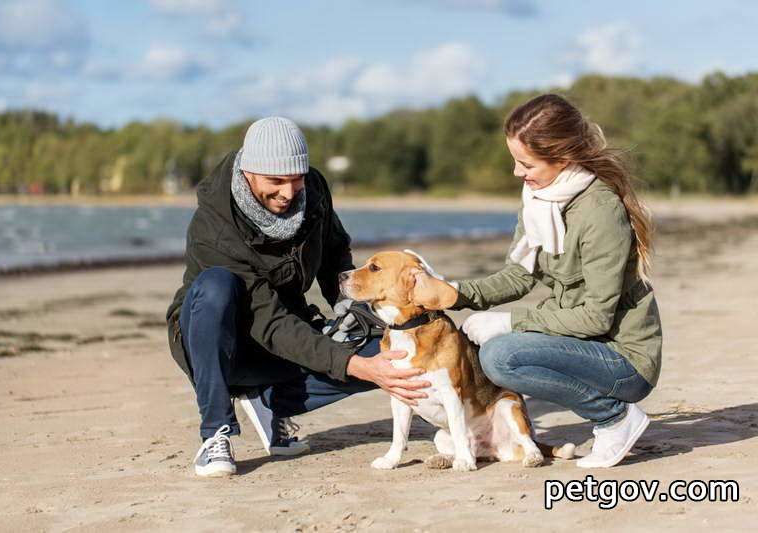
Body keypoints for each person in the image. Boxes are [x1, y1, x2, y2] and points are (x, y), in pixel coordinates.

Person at [166, 116, 428, 477]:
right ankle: (216, 431)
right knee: (215, 286)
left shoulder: (314, 190)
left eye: (296, 179)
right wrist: (356, 366)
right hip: (219, 342)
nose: (289, 192)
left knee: (385, 351)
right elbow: (270, 321)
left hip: (284, 332)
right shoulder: (213, 227)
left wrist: (350, 309)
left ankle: (270, 401)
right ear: (248, 173)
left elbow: (335, 252)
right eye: (276, 181)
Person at [420, 94, 662, 468]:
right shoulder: (539, 200)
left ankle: (616, 418)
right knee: (492, 351)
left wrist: (508, 322)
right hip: (579, 345)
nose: (518, 173)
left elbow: (596, 318)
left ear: (563, 157)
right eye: (515, 161)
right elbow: (519, 274)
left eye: (526, 163)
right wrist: (455, 293)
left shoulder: (599, 211)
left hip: (622, 359)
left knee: (502, 356)